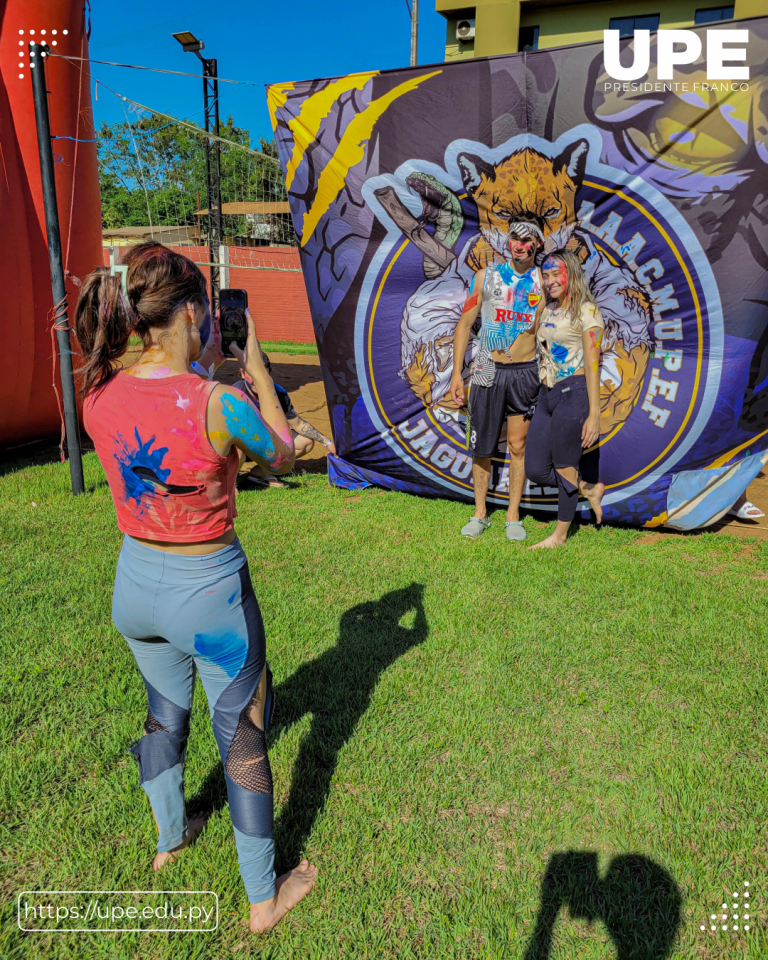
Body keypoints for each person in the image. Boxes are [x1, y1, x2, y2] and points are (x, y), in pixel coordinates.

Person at [74, 241, 317, 934]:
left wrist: (204, 372)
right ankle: (263, 900)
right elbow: (284, 454)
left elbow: (158, 399)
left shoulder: (98, 394)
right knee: (241, 738)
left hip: (135, 588)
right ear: (189, 312)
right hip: (210, 595)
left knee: (163, 716)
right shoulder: (221, 402)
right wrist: (259, 375)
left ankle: (168, 840)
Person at [449, 221, 545, 541]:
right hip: (487, 369)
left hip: (525, 372)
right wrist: (455, 375)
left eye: (526, 240)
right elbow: (465, 325)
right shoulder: (486, 277)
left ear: (537, 245)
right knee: (482, 446)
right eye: (514, 239)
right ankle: (479, 513)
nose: (519, 245)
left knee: (518, 445)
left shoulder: (544, 282)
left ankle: (513, 516)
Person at [524, 250, 605, 549]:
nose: (549, 281)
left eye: (555, 274)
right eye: (545, 276)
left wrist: (594, 413)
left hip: (575, 393)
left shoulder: (588, 311)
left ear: (570, 272)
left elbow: (594, 365)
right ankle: (588, 489)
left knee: (565, 466)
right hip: (546, 394)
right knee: (535, 469)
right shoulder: (548, 309)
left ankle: (558, 537)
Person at [234, 355, 336, 488]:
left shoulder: (279, 392)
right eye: (252, 374)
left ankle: (261, 472)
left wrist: (327, 442)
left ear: (269, 371)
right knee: (236, 447)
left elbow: (298, 424)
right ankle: (230, 482)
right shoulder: (235, 394)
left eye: (262, 373)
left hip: (263, 443)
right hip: (241, 444)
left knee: (304, 443)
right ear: (242, 374)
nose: (258, 379)